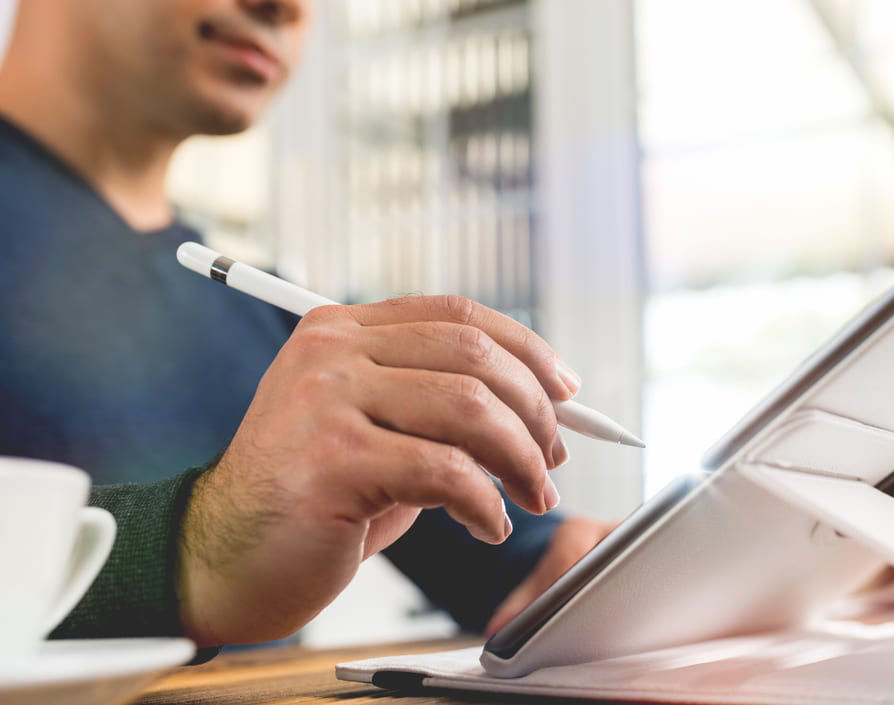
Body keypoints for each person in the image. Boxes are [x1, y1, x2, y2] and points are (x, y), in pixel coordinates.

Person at [0, 0, 613, 648]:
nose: (288, 8)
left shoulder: (275, 317)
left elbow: (521, 574)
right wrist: (192, 549)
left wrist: (573, 569)